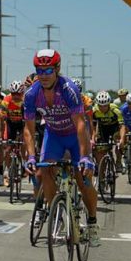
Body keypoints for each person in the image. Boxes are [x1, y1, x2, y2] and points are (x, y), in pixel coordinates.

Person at [23, 49, 100, 246]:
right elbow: (29, 130)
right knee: (44, 171)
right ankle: (56, 213)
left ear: (57, 69)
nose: (44, 75)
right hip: (54, 134)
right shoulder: (32, 94)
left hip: (75, 135)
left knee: (83, 180)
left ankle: (92, 221)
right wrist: (31, 157)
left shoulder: (69, 89)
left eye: (48, 70)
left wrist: (84, 157)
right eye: (39, 70)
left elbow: (81, 123)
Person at [91, 91, 127, 172]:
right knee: (99, 149)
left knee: (119, 142)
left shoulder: (115, 110)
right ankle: (101, 173)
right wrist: (93, 139)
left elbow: (122, 126)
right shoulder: (94, 111)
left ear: (109, 104)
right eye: (100, 106)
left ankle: (118, 162)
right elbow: (93, 127)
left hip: (114, 128)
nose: (103, 108)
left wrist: (122, 139)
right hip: (103, 129)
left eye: (105, 106)